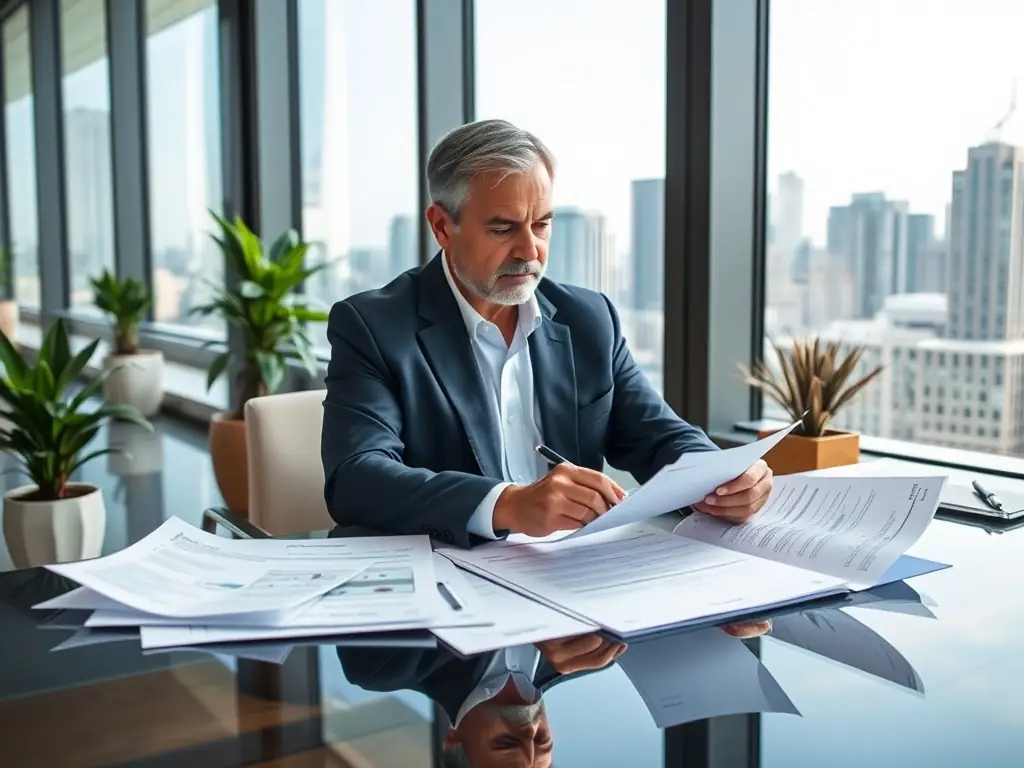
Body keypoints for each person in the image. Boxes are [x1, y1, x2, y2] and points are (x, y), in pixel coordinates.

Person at [321, 119, 773, 547]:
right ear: (442, 226)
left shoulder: (588, 318)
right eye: (503, 228)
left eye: (542, 224)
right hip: (451, 587)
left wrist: (723, 476)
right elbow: (357, 478)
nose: (529, 249)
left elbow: (659, 435)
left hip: (576, 581)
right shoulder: (373, 327)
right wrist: (507, 505)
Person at [338, 633, 626, 768]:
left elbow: (357, 537)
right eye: (543, 741)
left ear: (454, 739)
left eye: (505, 743)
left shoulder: (381, 666)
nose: (530, 732)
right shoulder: (597, 653)